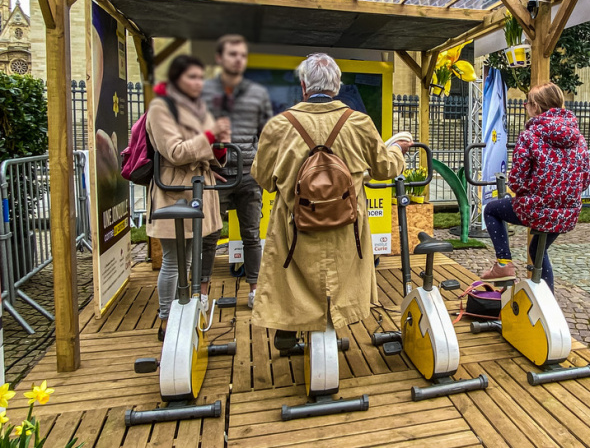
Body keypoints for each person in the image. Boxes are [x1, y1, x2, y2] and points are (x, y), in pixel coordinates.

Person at [251, 53, 409, 349]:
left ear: (303, 86)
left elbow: (263, 178)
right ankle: (336, 320)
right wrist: (398, 149)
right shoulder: (359, 122)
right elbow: (385, 169)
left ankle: (291, 322)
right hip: (346, 226)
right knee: (339, 274)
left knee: (292, 274)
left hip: (295, 226)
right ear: (337, 86)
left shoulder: (279, 126)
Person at [145, 55, 230, 340]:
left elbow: (209, 150)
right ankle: (166, 321)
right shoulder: (161, 108)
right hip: (174, 193)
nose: (198, 83)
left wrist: (220, 145)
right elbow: (175, 152)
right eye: (191, 77)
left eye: (200, 77)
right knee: (173, 260)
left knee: (191, 259)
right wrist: (210, 135)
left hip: (198, 188)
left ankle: (185, 313)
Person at [479, 83, 590, 292]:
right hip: (567, 212)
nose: (525, 106)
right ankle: (548, 301)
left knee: (492, 210)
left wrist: (530, 190)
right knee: (538, 250)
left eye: (527, 102)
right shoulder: (578, 138)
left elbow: (516, 181)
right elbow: (585, 180)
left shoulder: (530, 136)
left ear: (536, 106)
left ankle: (503, 263)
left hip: (535, 208)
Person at [200, 35, 273, 309]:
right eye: (232, 54)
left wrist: (259, 167)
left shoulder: (258, 94)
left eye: (242, 55)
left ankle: (255, 291)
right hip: (216, 176)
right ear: (219, 58)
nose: (238, 59)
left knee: (251, 235)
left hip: (248, 176)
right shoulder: (204, 93)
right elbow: (195, 134)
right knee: (209, 236)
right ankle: (202, 294)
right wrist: (208, 165)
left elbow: (267, 134)